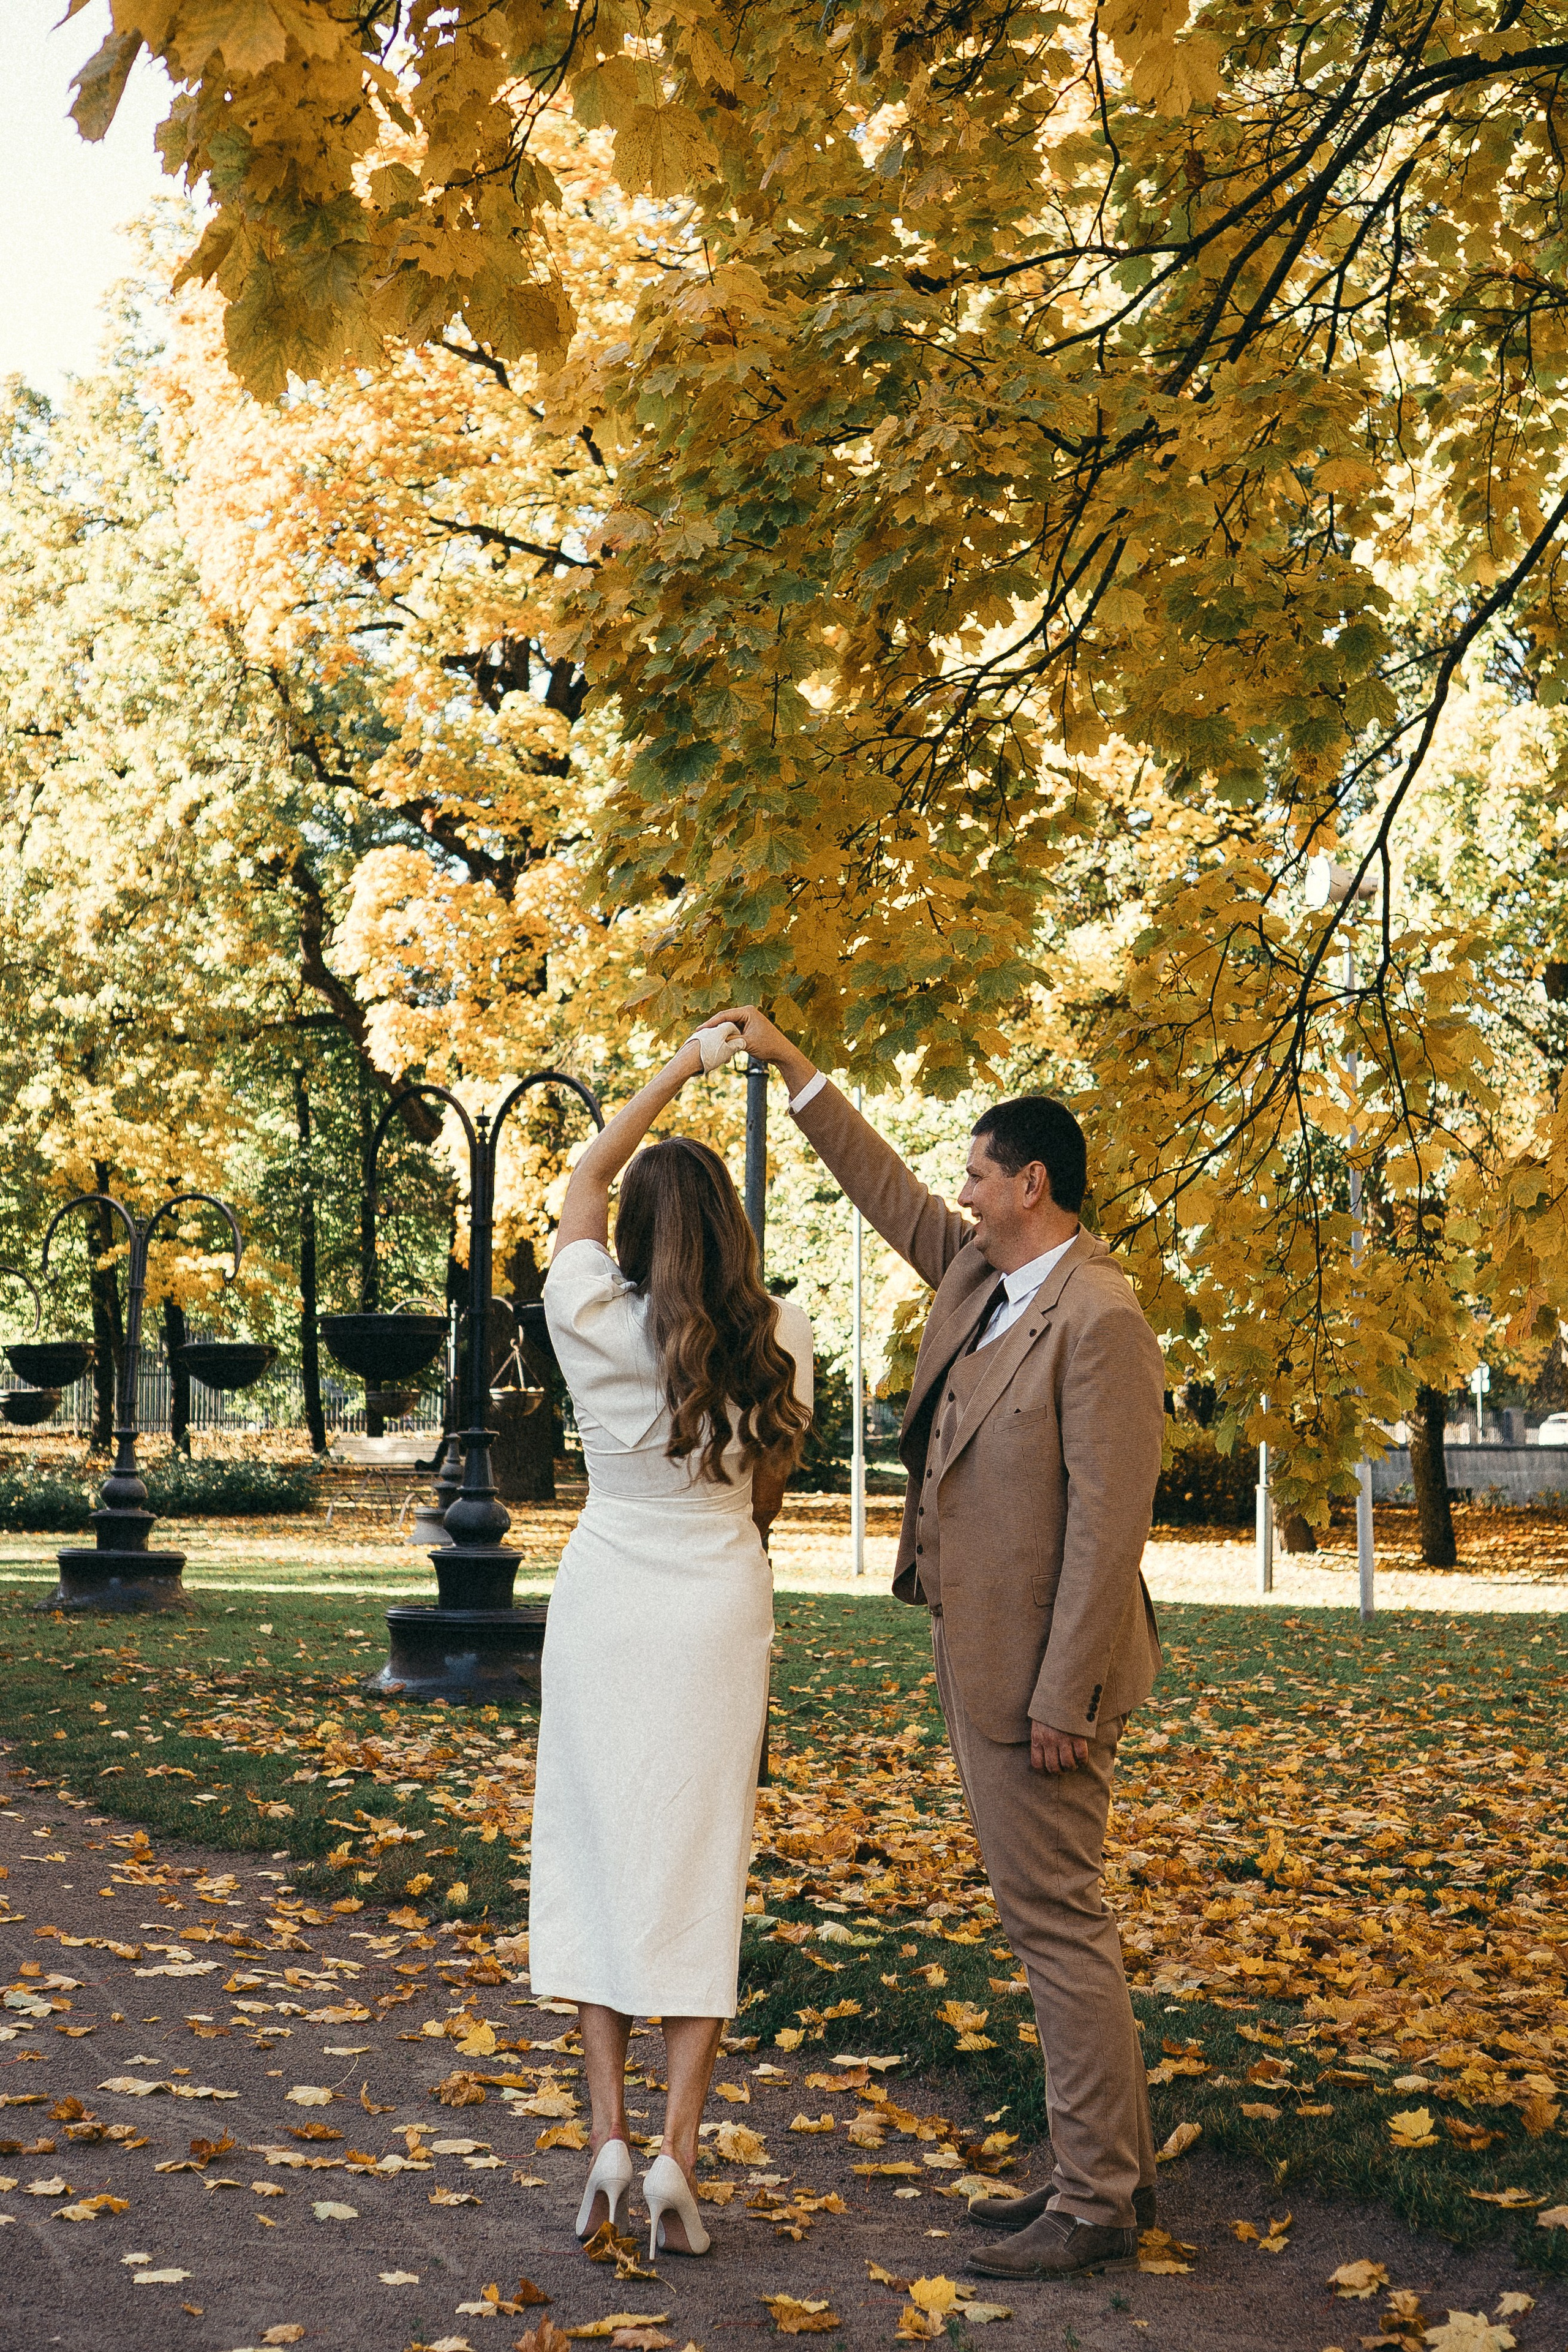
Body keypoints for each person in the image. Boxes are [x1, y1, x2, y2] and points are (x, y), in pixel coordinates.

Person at [705, 1005, 1164, 2282]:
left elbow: (1106, 1537)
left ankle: (1093, 2202)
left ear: (1032, 1184)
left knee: (1055, 1921)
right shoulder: (979, 1274)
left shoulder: (1099, 1319)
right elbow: (880, 1188)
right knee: (1044, 1920)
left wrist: (1064, 1691)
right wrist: (795, 1070)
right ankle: (1103, 2177)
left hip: (1044, 1682)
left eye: (975, 1172)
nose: (956, 1192)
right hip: (979, 1657)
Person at [529, 1028, 813, 2266]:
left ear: (638, 1232)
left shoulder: (589, 1313)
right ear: (734, 1232)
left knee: (593, 1847)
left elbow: (583, 1178)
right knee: (699, 1869)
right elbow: (763, 1502)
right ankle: (677, 2157)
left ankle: (603, 2133)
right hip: (714, 1609)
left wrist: (679, 1070)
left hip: (605, 1599)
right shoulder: (782, 1338)